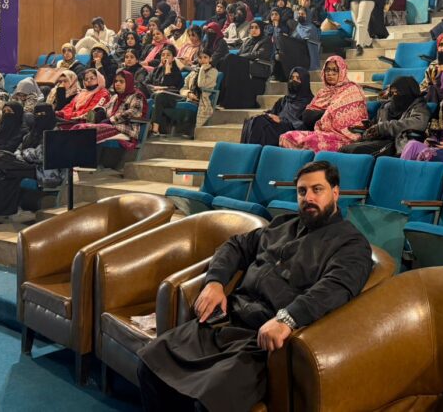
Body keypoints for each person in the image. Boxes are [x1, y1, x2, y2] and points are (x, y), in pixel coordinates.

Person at [137, 160, 372, 412]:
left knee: (208, 401)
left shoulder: (351, 244)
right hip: (226, 319)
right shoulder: (283, 224)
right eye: (302, 191)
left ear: (335, 192)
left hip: (261, 340)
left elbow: (336, 287)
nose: (308, 198)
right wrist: (215, 282)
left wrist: (288, 318)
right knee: (150, 364)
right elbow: (235, 245)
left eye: (317, 189)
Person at [280, 56, 367, 152]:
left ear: (342, 71)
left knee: (304, 141)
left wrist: (322, 115)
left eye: (335, 70)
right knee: (286, 137)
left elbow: (334, 116)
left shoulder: (351, 90)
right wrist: (322, 114)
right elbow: (307, 115)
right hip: (320, 133)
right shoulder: (322, 92)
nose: (330, 73)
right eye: (327, 70)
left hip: (343, 137)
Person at [340, 76, 430, 156]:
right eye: (392, 92)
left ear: (408, 92)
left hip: (397, 143)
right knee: (344, 149)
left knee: (355, 151)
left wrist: (383, 128)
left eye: (397, 92)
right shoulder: (387, 106)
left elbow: (418, 123)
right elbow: (376, 124)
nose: (394, 96)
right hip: (378, 140)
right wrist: (369, 128)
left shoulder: (419, 106)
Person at [69, 70, 146, 150]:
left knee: (87, 131)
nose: (117, 84)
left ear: (129, 82)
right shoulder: (115, 97)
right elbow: (105, 108)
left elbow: (133, 113)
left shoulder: (136, 96)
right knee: (78, 127)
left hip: (124, 130)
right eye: (116, 81)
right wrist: (99, 111)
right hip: (111, 127)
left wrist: (110, 120)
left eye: (121, 81)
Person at [240, 68, 313, 146]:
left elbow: (304, 126)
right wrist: (267, 115)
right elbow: (273, 112)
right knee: (252, 121)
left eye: (298, 78)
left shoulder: (310, 103)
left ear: (305, 82)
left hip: (291, 130)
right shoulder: (284, 100)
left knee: (260, 124)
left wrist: (282, 121)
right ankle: (249, 150)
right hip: (278, 126)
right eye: (292, 78)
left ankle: (253, 151)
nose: (293, 80)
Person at [219, 21, 272, 110]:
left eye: (256, 27)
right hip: (244, 65)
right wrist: (240, 57)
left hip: (257, 66)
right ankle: (224, 97)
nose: (253, 30)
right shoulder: (247, 41)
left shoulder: (266, 40)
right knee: (224, 60)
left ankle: (223, 97)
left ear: (262, 29)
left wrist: (241, 57)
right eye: (251, 28)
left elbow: (260, 54)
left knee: (230, 58)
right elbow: (239, 53)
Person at [146, 45, 184, 132]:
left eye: (168, 55)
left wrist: (167, 70)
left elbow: (173, 87)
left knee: (160, 96)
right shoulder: (156, 70)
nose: (165, 57)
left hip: (172, 96)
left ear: (173, 58)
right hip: (155, 94)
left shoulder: (176, 72)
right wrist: (155, 87)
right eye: (163, 55)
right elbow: (146, 83)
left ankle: (155, 128)